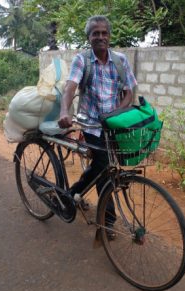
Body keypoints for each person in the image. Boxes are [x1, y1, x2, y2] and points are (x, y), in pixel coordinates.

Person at [58, 15, 137, 238]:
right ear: (89, 37)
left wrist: (116, 113)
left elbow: (129, 91)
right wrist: (65, 111)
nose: (100, 37)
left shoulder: (120, 60)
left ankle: (73, 193)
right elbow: (70, 88)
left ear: (109, 36)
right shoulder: (82, 60)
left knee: (106, 167)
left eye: (104, 33)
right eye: (95, 33)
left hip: (113, 125)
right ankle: (107, 221)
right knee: (104, 168)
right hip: (91, 124)